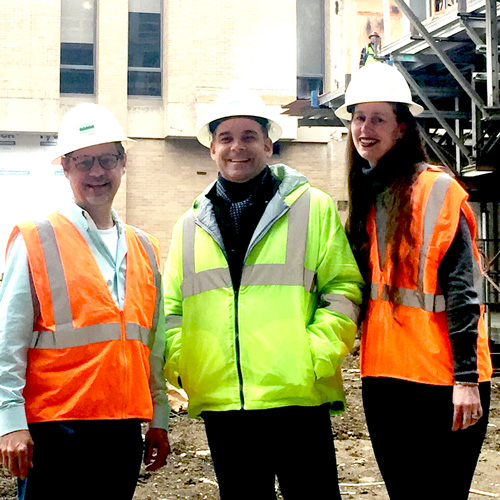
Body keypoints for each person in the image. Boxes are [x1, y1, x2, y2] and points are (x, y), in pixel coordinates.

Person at [162, 88, 363, 499]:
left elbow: (343, 290)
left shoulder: (312, 207)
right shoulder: (188, 224)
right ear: (212, 149)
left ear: (269, 144)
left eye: (249, 136)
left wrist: (313, 356)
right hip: (224, 405)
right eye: (226, 138)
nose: (238, 147)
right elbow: (170, 309)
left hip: (298, 399)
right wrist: (187, 366)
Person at [335, 62, 493, 500]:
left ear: (402, 128)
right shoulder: (367, 194)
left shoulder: (435, 189)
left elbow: (463, 292)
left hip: (444, 381)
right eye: (358, 117)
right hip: (386, 378)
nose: (365, 128)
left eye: (378, 118)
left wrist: (466, 380)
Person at [0, 103, 171, 500]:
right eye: (84, 161)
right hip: (55, 431)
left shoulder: (144, 247)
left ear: (123, 162)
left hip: (123, 430)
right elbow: (7, 343)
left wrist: (159, 417)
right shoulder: (35, 239)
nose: (97, 172)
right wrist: (9, 421)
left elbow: (153, 345)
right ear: (66, 167)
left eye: (107, 159)